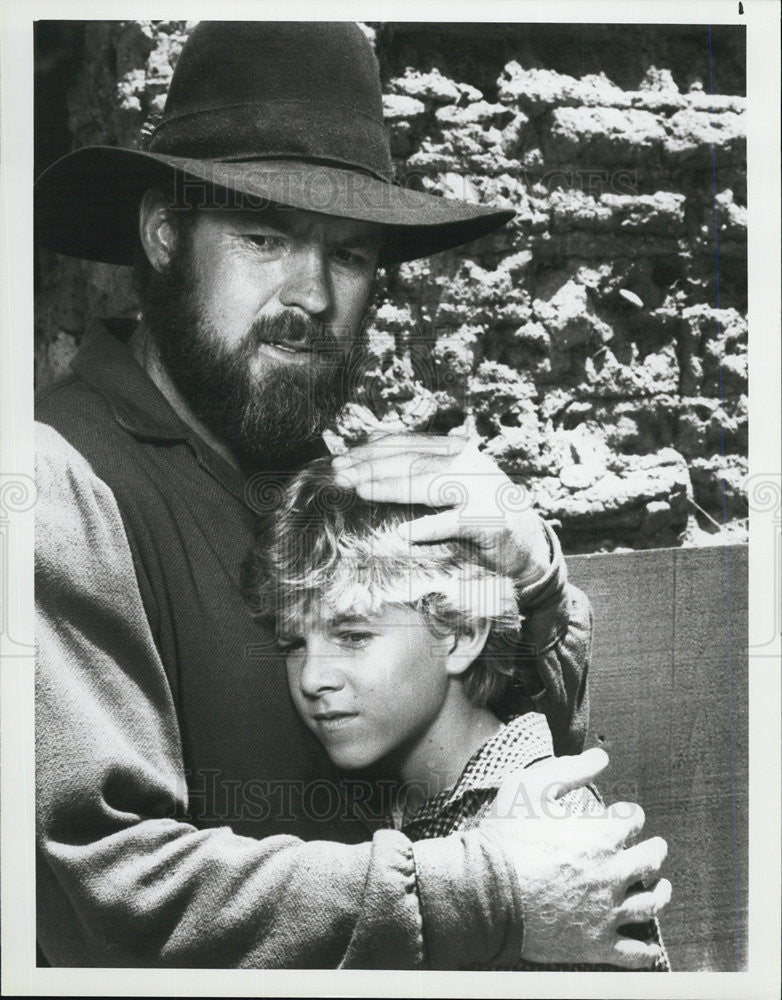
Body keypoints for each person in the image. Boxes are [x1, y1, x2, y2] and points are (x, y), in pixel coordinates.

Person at [34, 20, 669, 968]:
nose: (314, 294)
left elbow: (512, 760)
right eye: (264, 236)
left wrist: (529, 584)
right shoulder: (58, 486)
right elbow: (104, 885)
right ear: (166, 237)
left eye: (350, 255)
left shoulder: (340, 475)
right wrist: (486, 894)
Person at [247, 455, 672, 971]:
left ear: (461, 635)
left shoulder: (550, 823)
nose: (313, 678)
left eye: (353, 636)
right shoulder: (380, 802)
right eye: (294, 642)